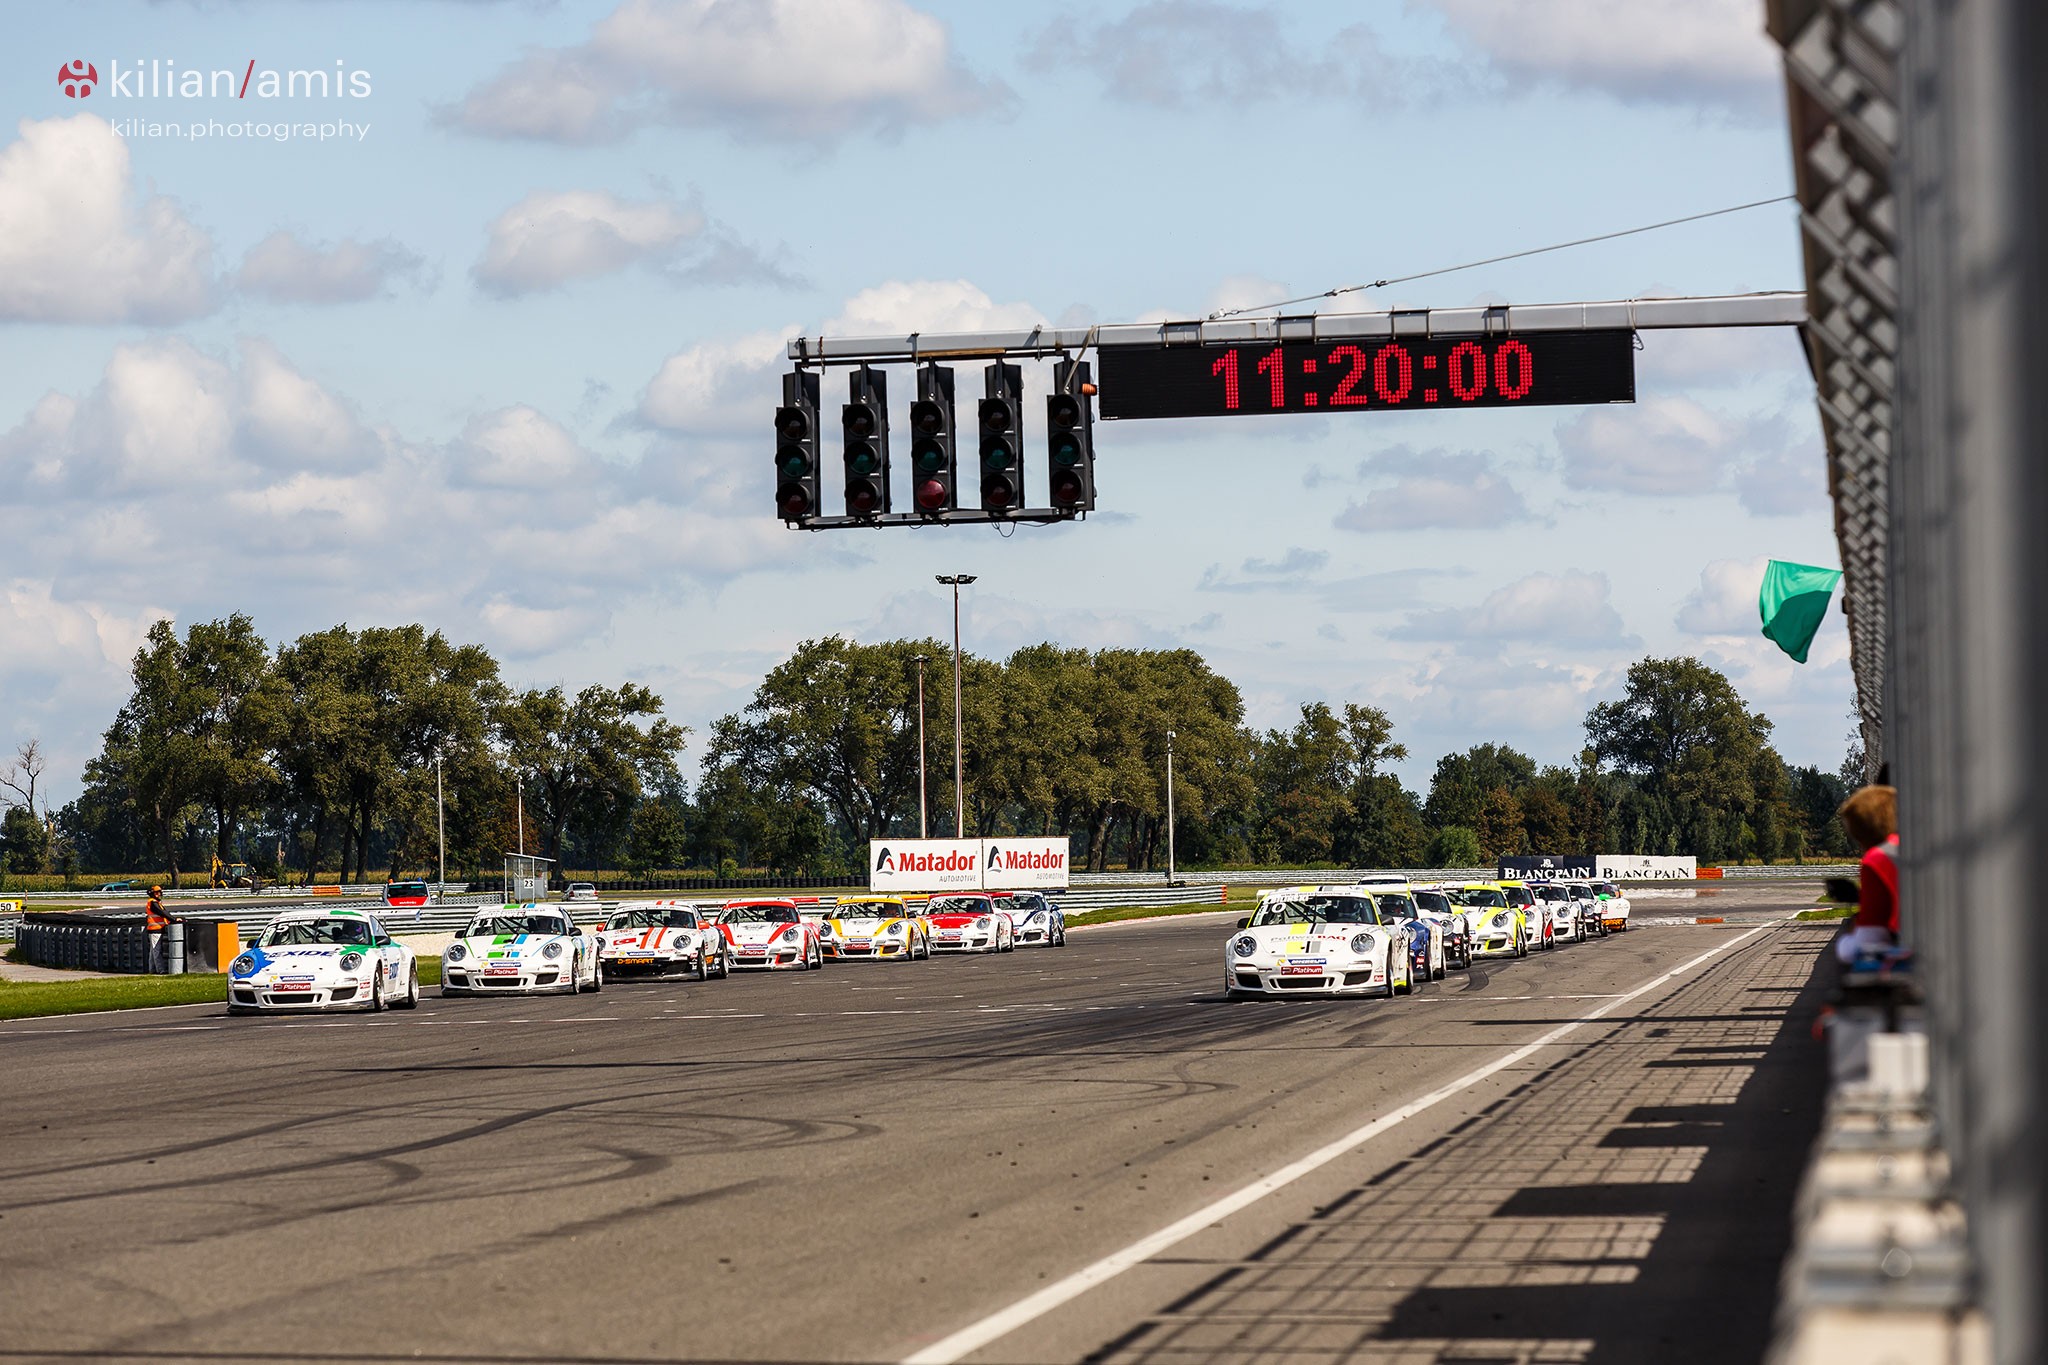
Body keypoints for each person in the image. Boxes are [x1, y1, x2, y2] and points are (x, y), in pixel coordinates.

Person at [1835, 785, 1899, 964]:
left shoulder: (1876, 859)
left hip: (1901, 939)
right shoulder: (1901, 846)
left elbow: (1866, 941)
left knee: (1846, 949)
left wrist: (1851, 931)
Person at [144, 886, 168, 973]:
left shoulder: (156, 903)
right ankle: (160, 970)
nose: (159, 894)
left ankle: (152, 969)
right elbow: (163, 913)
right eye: (157, 892)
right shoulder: (153, 903)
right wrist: (174, 919)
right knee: (157, 951)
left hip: (157, 929)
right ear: (152, 894)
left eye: (159, 892)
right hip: (155, 930)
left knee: (153, 951)